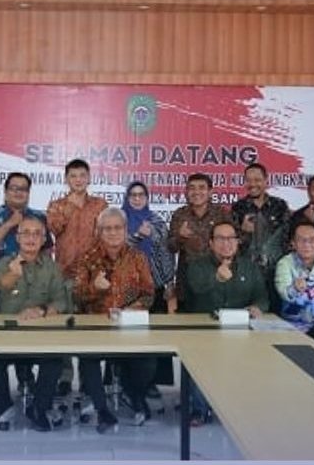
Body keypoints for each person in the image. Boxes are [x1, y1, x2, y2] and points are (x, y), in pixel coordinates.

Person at [73, 207, 156, 431]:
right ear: (99, 231)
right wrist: (94, 288)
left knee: (148, 360)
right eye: (107, 228)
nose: (113, 233)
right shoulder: (87, 258)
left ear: (126, 230)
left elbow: (149, 294)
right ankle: (102, 409)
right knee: (88, 357)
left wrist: (131, 310)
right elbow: (76, 295)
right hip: (96, 326)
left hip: (129, 326)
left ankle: (135, 396)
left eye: (117, 228)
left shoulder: (137, 257)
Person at [0, 216, 69, 432]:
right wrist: (14, 273)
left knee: (55, 360)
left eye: (37, 234)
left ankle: (40, 408)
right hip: (9, 336)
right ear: (17, 237)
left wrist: (41, 311)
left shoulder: (52, 267)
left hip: (41, 335)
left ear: (44, 240)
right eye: (26, 233)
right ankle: (3, 407)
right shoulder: (5, 262)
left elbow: (61, 302)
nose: (31, 238)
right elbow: (0, 285)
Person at [181, 220, 269, 426]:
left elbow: (262, 297)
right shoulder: (196, 265)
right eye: (220, 238)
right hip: (204, 329)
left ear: (238, 242)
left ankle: (238, 407)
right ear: (211, 243)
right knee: (197, 359)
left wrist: (258, 307)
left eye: (231, 238)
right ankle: (199, 409)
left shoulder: (249, 267)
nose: (226, 243)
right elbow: (197, 289)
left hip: (240, 330)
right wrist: (217, 278)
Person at [0, 172, 53, 305]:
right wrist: (9, 224)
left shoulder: (39, 217)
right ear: (5, 191)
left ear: (29, 193)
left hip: (34, 286)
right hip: (1, 284)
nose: (19, 192)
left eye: (23, 189)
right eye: (14, 188)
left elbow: (47, 250)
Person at [230, 163, 290, 314]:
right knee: (248, 315)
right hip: (247, 274)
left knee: (276, 316)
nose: (253, 184)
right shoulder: (238, 207)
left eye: (257, 180)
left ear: (266, 180)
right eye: (248, 180)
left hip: (276, 272)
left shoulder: (280, 205)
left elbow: (287, 240)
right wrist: (243, 232)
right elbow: (231, 245)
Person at [168, 172, 232, 302]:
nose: (196, 192)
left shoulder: (222, 214)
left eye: (202, 188)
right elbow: (170, 247)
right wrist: (180, 237)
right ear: (186, 192)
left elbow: (234, 243)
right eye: (192, 188)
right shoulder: (180, 214)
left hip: (216, 272)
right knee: (187, 312)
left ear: (210, 192)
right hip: (187, 274)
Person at [122, 181, 177, 313]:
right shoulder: (119, 220)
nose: (137, 199)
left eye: (141, 195)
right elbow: (116, 247)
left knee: (156, 323)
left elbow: (166, 253)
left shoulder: (156, 221)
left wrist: (169, 282)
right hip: (124, 285)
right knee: (127, 322)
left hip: (154, 284)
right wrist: (138, 236)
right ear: (127, 198)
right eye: (133, 195)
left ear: (147, 198)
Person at [47, 158, 107, 277]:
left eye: (82, 175)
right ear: (66, 179)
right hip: (64, 271)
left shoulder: (100, 205)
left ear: (89, 178)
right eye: (73, 176)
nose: (78, 180)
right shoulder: (56, 205)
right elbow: (54, 229)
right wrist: (69, 206)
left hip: (92, 271)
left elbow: (106, 236)